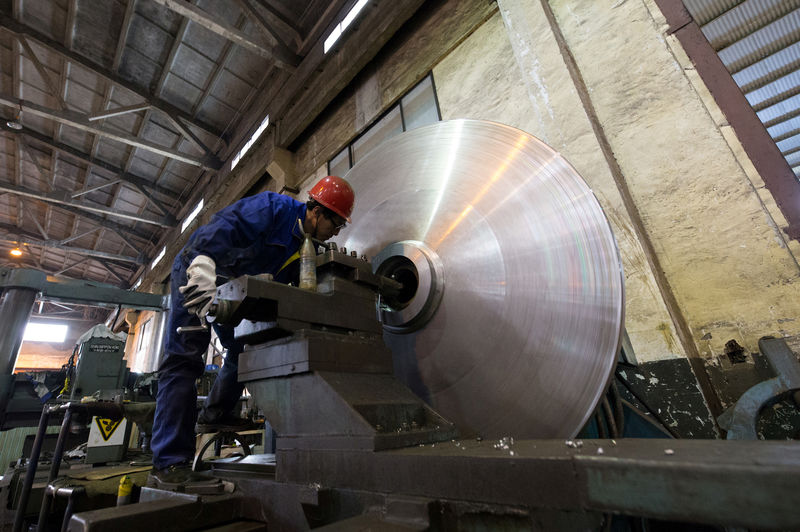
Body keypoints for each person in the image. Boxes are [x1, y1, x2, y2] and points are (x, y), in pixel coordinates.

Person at [150, 175, 354, 484]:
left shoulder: (303, 248)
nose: (335, 232)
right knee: (184, 360)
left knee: (240, 349)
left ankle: (215, 413)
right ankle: (169, 462)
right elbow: (219, 230)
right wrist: (203, 266)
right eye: (336, 224)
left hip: (229, 288)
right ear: (318, 211)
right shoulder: (273, 209)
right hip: (197, 271)